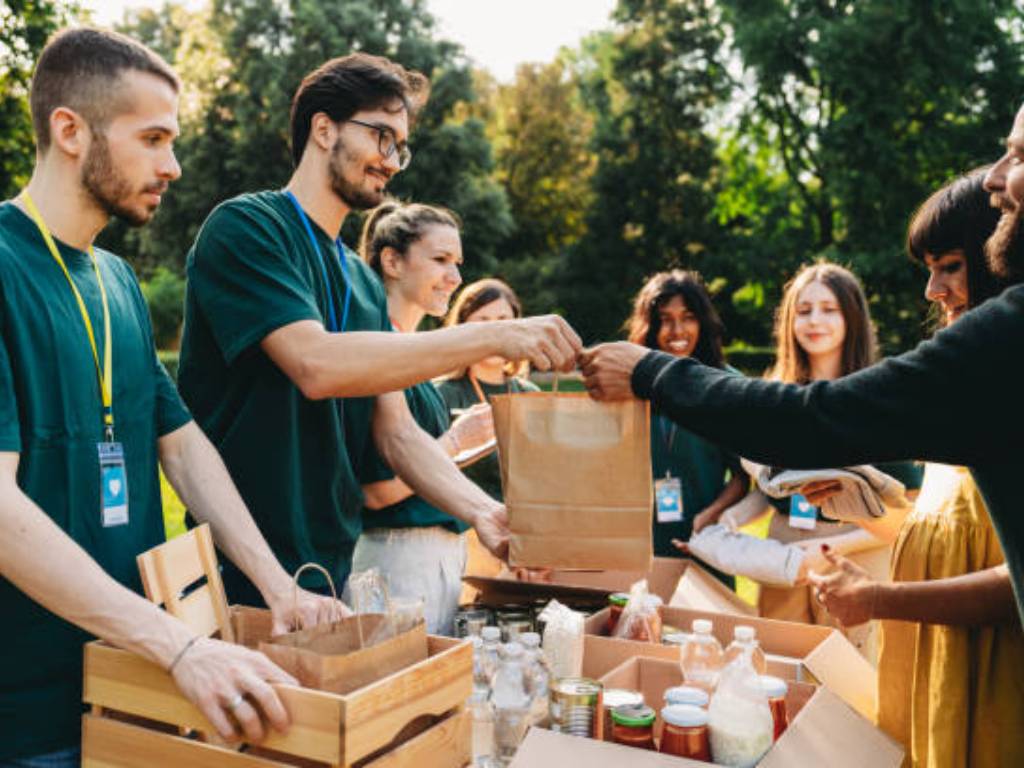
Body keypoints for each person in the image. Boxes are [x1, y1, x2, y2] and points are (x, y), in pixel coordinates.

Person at [0, 28, 346, 763]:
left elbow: (182, 445)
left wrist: (275, 583)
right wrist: (181, 646)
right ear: (69, 130)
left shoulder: (119, 281)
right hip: (23, 713)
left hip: (129, 685)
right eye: (153, 138)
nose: (174, 165)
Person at [578, 102, 1024, 626]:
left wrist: (648, 371)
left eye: (1017, 155)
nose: (996, 175)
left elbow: (806, 419)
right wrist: (873, 512)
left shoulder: (1000, 342)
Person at [177, 53, 581, 606]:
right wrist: (492, 336)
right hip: (239, 570)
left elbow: (397, 434)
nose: (392, 161)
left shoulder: (361, 282)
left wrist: (483, 511)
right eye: (382, 136)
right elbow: (315, 365)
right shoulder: (249, 227)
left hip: (330, 570)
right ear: (324, 128)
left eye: (401, 147)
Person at [809, 170, 1024, 767]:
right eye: (928, 269)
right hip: (934, 669)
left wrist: (878, 597)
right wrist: (862, 506)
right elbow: (954, 533)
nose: (932, 290)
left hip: (992, 679)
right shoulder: (966, 381)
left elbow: (1015, 581)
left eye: (950, 266)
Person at [704, 263, 921, 655]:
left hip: (853, 558)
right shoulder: (772, 395)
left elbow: (909, 512)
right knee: (776, 674)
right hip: (782, 561)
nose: (814, 321)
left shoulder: (879, 396)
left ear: (851, 317)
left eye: (828, 309)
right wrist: (731, 519)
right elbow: (770, 489)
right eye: (803, 311)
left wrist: (826, 553)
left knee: (849, 686)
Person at [353, 202, 494, 634]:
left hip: (433, 560)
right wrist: (453, 440)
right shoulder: (375, 349)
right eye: (440, 260)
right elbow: (375, 491)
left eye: (457, 263)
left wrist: (471, 441)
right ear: (392, 261)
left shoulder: (409, 355)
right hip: (397, 562)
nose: (455, 277)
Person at [622, 270, 747, 566]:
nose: (677, 330)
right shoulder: (628, 387)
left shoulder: (726, 386)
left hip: (704, 543)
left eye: (688, 316)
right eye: (665, 319)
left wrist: (712, 515)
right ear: (650, 326)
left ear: (703, 321)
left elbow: (744, 477)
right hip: (641, 546)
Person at [435, 278, 539, 502]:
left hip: (526, 525)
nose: (495, 331)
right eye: (483, 321)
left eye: (503, 320)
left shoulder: (532, 394)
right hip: (466, 527)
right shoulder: (441, 394)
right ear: (463, 328)